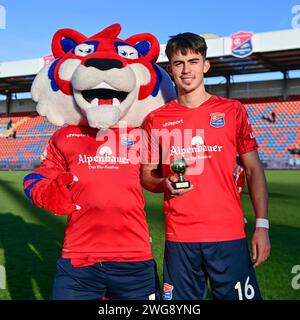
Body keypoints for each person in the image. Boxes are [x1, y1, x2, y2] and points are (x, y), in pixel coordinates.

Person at [141, 32, 270, 300]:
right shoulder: (156, 119)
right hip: (179, 238)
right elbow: (147, 174)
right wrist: (163, 183)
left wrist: (262, 226)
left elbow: (254, 170)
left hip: (228, 233)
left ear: (205, 65)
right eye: (179, 63)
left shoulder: (232, 110)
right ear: (170, 69)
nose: (187, 70)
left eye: (193, 61)